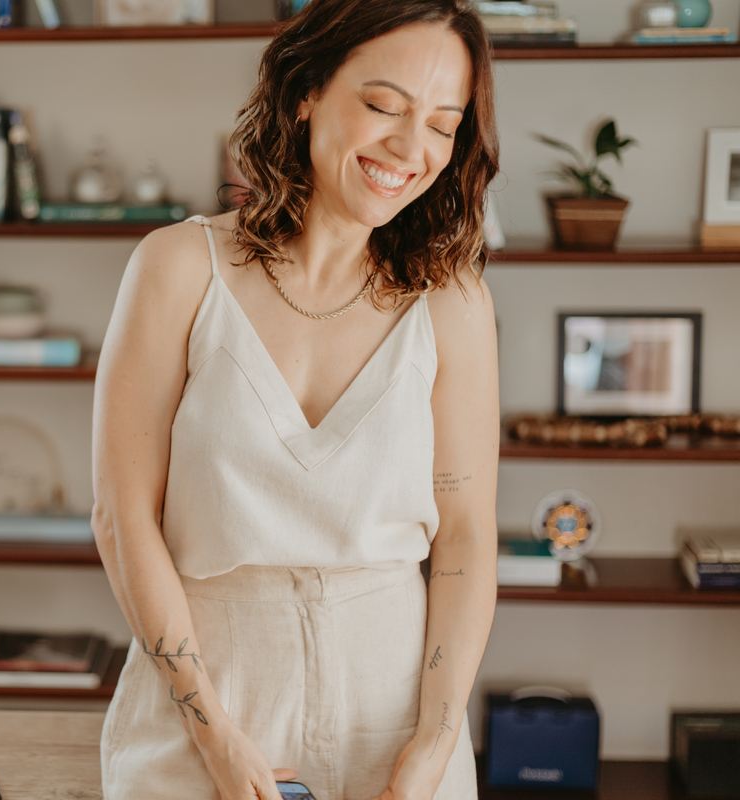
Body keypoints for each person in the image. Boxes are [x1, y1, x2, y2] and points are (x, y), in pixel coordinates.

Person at [91, 1, 500, 798]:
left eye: (443, 124)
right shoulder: (177, 268)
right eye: (384, 105)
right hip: (207, 704)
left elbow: (465, 537)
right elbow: (121, 517)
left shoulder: (452, 301)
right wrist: (214, 736)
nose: (410, 148)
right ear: (306, 89)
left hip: (397, 721)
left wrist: (437, 738)